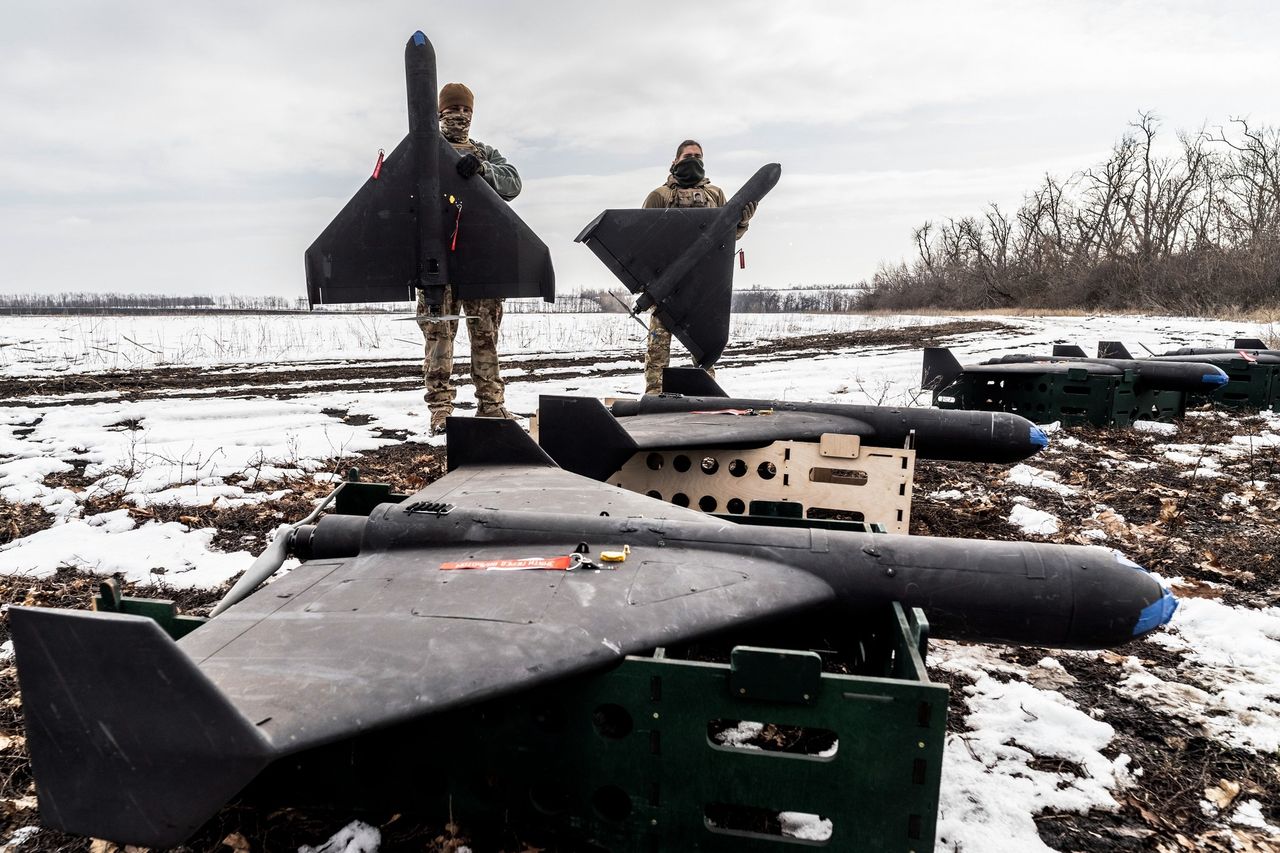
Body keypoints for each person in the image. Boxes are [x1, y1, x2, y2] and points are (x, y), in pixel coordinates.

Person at [417, 82, 523, 434]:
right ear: (439, 113)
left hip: (481, 263)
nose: (459, 116)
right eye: (452, 110)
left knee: (485, 337)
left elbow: (513, 183)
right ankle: (441, 411)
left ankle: (492, 407)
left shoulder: (485, 153)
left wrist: (482, 170)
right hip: (437, 265)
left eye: (465, 111)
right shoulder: (424, 150)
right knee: (439, 339)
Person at [640, 139, 755, 395]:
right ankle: (654, 393)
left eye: (698, 156)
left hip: (705, 283)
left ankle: (706, 393)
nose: (693, 159)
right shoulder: (658, 196)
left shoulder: (716, 195)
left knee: (704, 345)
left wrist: (742, 223)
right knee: (658, 346)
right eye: (687, 155)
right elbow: (643, 239)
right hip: (668, 285)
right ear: (675, 161)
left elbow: (728, 236)